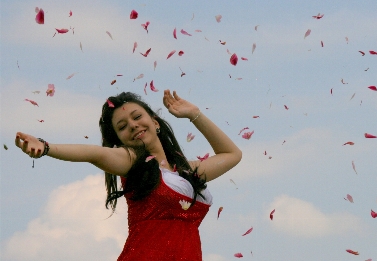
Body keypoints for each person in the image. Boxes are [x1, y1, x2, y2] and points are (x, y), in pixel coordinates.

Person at [15, 89, 242, 261]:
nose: (132, 125)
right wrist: (46, 147)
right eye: (122, 126)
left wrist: (194, 114)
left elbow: (232, 154)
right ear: (120, 140)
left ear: (154, 122)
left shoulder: (186, 173)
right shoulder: (132, 161)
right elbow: (93, 154)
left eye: (137, 117)